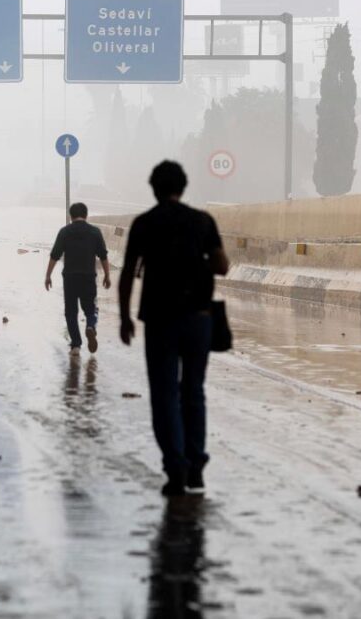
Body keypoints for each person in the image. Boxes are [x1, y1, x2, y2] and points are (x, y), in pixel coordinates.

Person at [118, 160, 229, 497]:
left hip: (160, 319)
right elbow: (223, 266)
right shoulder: (202, 221)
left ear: (154, 187)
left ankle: (176, 467)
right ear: (184, 186)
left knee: (165, 394)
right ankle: (196, 465)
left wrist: (124, 317)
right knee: (193, 391)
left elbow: (126, 274)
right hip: (199, 318)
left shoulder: (144, 224)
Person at [45, 203, 112, 356]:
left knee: (71, 312)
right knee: (91, 309)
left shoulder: (64, 232)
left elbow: (55, 255)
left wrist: (48, 275)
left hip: (70, 278)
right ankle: (90, 326)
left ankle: (75, 345)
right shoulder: (95, 232)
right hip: (88, 277)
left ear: (71, 215)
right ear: (86, 215)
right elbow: (103, 256)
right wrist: (107, 275)